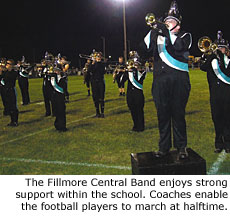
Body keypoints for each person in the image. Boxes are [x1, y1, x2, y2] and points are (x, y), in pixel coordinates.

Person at [143, 0, 192, 159]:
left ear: (178, 24)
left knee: (178, 114)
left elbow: (178, 47)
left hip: (179, 80)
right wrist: (153, 32)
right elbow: (143, 50)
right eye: (166, 22)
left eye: (171, 22)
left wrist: (165, 31)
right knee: (162, 115)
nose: (167, 24)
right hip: (160, 81)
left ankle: (181, 147)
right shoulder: (158, 36)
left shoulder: (185, 35)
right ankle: (163, 147)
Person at [200, 31, 230, 153]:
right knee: (217, 118)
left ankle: (228, 143)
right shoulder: (211, 60)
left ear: (227, 50)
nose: (220, 50)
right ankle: (218, 143)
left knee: (227, 119)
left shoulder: (228, 61)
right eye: (218, 48)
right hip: (215, 95)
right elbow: (202, 67)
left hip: (227, 94)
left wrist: (221, 58)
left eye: (222, 48)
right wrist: (210, 56)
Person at [121, 58, 146, 132]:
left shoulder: (142, 72)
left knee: (139, 110)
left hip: (138, 94)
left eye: (136, 64)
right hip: (130, 94)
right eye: (134, 64)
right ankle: (135, 125)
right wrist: (125, 72)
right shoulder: (129, 72)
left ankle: (141, 126)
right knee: (132, 109)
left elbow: (139, 78)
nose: (135, 66)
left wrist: (132, 70)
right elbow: (122, 81)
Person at [1, 59, 19, 126]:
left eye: (8, 64)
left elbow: (9, 78)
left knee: (13, 106)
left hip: (11, 90)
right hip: (6, 90)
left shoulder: (13, 72)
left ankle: (15, 121)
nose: (6, 65)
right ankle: (12, 121)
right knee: (9, 106)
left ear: (11, 65)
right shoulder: (5, 72)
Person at [88, 52, 106, 118]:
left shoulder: (102, 64)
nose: (98, 58)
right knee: (95, 98)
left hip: (101, 82)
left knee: (101, 97)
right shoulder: (92, 64)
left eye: (99, 56)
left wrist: (97, 63)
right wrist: (93, 64)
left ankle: (102, 113)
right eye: (97, 56)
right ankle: (97, 112)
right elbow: (89, 71)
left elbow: (102, 71)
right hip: (94, 82)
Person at [50, 67, 67, 132]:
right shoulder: (53, 78)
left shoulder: (63, 79)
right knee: (56, 111)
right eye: (55, 71)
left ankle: (62, 126)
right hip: (54, 96)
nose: (55, 72)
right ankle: (57, 125)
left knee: (61, 111)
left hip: (60, 96)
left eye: (57, 71)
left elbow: (63, 89)